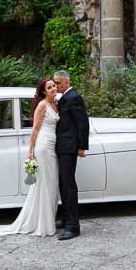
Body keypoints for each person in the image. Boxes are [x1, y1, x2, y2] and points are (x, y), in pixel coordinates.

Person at [0, 78, 60, 239]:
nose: (52, 89)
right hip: (43, 146)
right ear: (44, 91)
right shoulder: (43, 105)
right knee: (44, 184)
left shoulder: (55, 103)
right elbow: (35, 129)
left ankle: (47, 219)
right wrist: (31, 151)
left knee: (52, 183)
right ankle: (42, 224)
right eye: (49, 87)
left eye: (53, 86)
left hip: (53, 144)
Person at [52, 69, 89, 240]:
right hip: (62, 146)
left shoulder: (74, 97)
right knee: (62, 184)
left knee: (68, 186)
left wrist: (82, 147)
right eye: (54, 82)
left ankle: (73, 227)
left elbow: (82, 123)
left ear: (67, 82)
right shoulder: (63, 97)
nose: (55, 85)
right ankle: (66, 217)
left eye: (58, 83)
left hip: (69, 147)